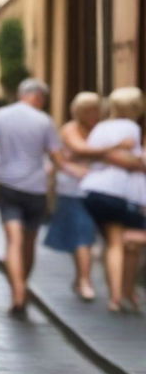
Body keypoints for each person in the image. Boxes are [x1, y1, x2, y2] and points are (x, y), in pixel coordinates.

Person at [0, 79, 67, 318]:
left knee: (13, 242)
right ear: (39, 97)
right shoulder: (44, 121)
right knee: (29, 243)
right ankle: (22, 287)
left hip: (8, 186)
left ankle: (17, 292)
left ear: (21, 94)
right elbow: (57, 159)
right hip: (36, 189)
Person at [43, 92, 136, 301]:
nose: (93, 114)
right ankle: (85, 280)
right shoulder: (70, 129)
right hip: (73, 190)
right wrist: (117, 147)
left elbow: (106, 156)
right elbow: (82, 150)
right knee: (82, 234)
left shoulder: (102, 129)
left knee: (103, 238)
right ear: (78, 112)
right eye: (88, 110)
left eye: (96, 109)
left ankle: (96, 283)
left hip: (100, 190)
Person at [80, 87, 146, 312]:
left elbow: (92, 157)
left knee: (115, 243)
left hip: (94, 189)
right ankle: (122, 294)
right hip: (121, 192)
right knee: (123, 244)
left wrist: (109, 155)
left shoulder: (100, 127)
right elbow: (133, 162)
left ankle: (119, 295)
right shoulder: (131, 128)